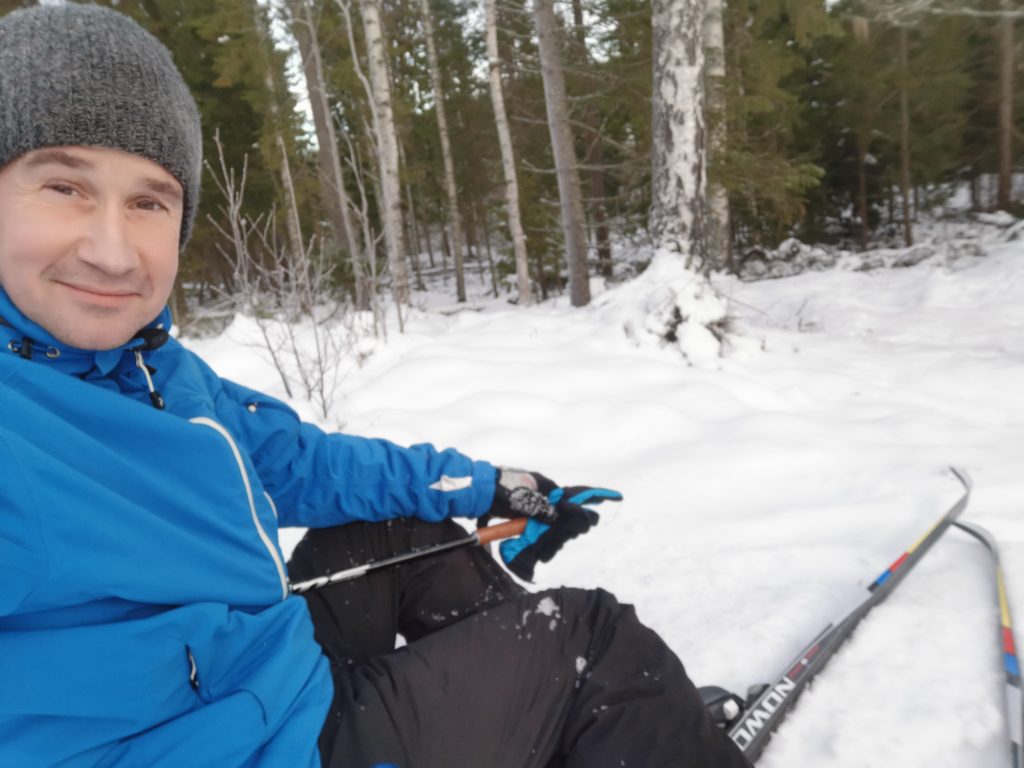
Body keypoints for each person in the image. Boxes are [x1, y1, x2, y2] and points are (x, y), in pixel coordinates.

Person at [0, 5, 751, 768]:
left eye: (149, 201)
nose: (113, 251)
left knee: (394, 529)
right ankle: (600, 699)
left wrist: (496, 486)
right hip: (246, 747)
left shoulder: (154, 373)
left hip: (258, 680)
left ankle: (577, 722)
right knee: (591, 638)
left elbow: (308, 465)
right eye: (63, 186)